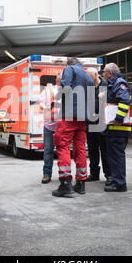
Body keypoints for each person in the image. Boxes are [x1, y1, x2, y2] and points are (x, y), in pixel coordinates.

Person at [52, 57, 94, 197]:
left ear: (68, 63)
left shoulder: (69, 69)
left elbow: (66, 88)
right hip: (83, 117)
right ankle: (81, 183)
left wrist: (57, 97)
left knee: (62, 146)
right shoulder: (88, 76)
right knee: (80, 148)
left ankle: (65, 185)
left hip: (69, 115)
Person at [102, 63, 131, 192]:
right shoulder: (113, 84)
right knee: (113, 157)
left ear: (110, 73)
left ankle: (119, 184)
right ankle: (116, 180)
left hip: (119, 129)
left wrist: (118, 119)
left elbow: (125, 101)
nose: (103, 75)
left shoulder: (119, 83)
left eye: (104, 72)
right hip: (113, 129)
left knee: (117, 156)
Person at [85, 68, 111, 185]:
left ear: (96, 75)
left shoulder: (105, 85)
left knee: (104, 150)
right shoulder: (88, 87)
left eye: (90, 77)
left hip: (102, 122)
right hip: (91, 122)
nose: (88, 79)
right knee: (92, 150)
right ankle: (94, 174)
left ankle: (108, 175)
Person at [37, 71, 62, 184]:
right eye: (60, 78)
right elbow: (40, 103)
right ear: (57, 79)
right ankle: (47, 174)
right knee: (48, 150)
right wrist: (45, 107)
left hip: (62, 125)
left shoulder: (67, 90)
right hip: (49, 125)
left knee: (63, 151)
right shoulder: (48, 90)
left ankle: (63, 174)